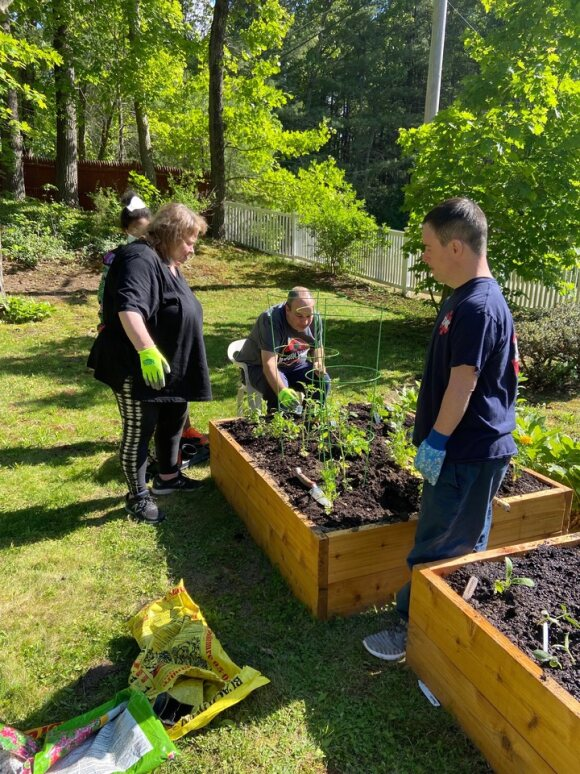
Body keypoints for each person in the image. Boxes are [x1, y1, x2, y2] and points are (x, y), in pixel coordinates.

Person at [363, 197, 518, 661]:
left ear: (455, 247)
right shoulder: (465, 298)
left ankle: (414, 630)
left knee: (440, 543)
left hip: (465, 451)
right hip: (466, 450)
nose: (423, 256)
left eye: (428, 247)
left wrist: (437, 441)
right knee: (463, 539)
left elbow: (464, 382)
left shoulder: (478, 306)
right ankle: (453, 625)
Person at [88, 203, 212, 525]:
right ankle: (137, 495)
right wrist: (146, 350)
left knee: (174, 420)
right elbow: (129, 308)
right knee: (140, 428)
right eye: (189, 241)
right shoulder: (139, 257)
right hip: (135, 363)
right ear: (170, 233)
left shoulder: (167, 261)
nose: (192, 249)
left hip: (171, 365)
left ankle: (168, 478)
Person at [236, 286, 330, 412]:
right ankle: (277, 426)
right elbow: (269, 364)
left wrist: (318, 361)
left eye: (309, 315)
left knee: (322, 381)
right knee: (279, 397)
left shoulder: (316, 318)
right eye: (299, 315)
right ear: (287, 309)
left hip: (295, 364)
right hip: (259, 367)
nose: (305, 321)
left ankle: (310, 422)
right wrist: (282, 391)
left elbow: (317, 346)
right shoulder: (271, 320)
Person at [97, 192, 151, 328]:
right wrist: (103, 321)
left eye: (146, 230)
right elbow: (104, 292)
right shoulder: (114, 257)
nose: (142, 235)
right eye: (137, 229)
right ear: (125, 230)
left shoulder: (156, 254)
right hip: (120, 321)